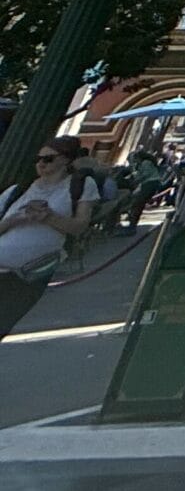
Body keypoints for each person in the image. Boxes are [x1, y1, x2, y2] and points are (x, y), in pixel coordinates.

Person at [0, 139, 100, 341]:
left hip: (29, 273)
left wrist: (49, 217)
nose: (41, 164)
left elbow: (80, 226)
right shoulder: (18, 190)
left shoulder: (79, 186)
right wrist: (15, 219)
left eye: (48, 159)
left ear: (65, 160)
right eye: (38, 159)